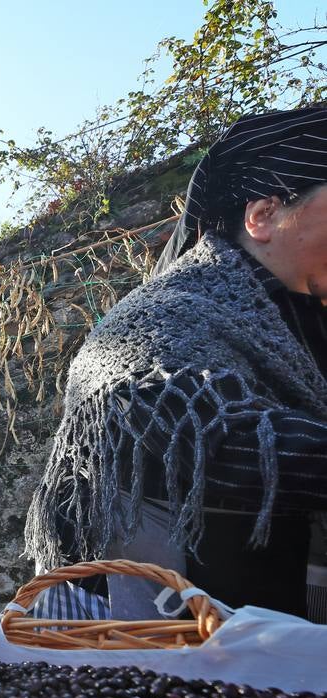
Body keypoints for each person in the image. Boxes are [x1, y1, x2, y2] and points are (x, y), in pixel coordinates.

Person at [25, 106, 327, 623]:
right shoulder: (168, 312)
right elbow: (163, 422)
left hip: (280, 627)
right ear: (263, 216)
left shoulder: (305, 317)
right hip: (172, 629)